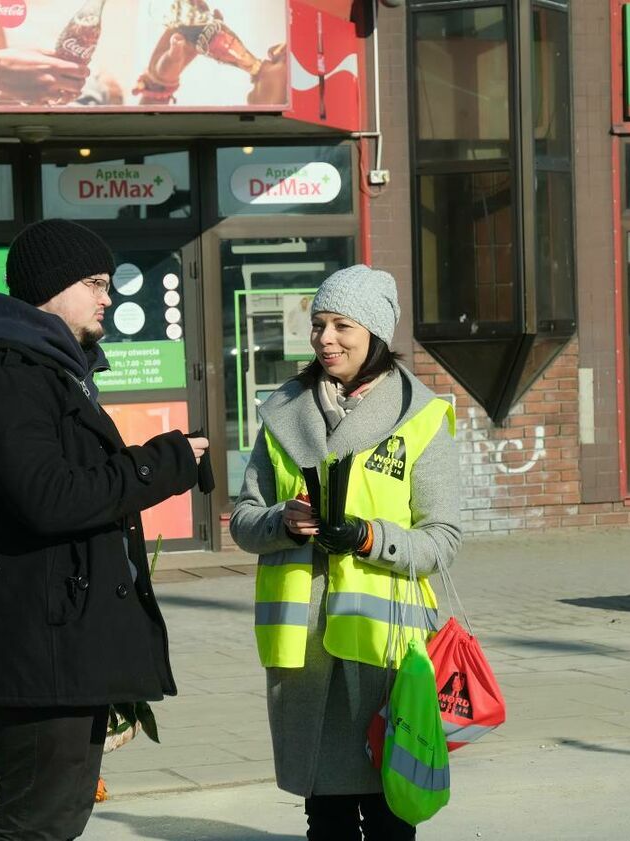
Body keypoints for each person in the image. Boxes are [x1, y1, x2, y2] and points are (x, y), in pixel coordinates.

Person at [0, 219, 208, 841]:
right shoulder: (8, 377)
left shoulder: (52, 371)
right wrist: (162, 463)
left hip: (63, 640)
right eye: (95, 283)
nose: (108, 297)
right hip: (37, 644)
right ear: (51, 288)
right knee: (36, 823)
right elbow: (50, 499)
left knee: (59, 816)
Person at [229, 265, 461, 840]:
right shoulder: (281, 412)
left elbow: (443, 539)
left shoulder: (422, 416)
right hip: (303, 652)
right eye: (318, 324)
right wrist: (282, 521)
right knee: (325, 819)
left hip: (385, 653)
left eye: (341, 326)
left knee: (389, 817)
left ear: (376, 333)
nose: (324, 338)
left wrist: (368, 537)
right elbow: (242, 520)